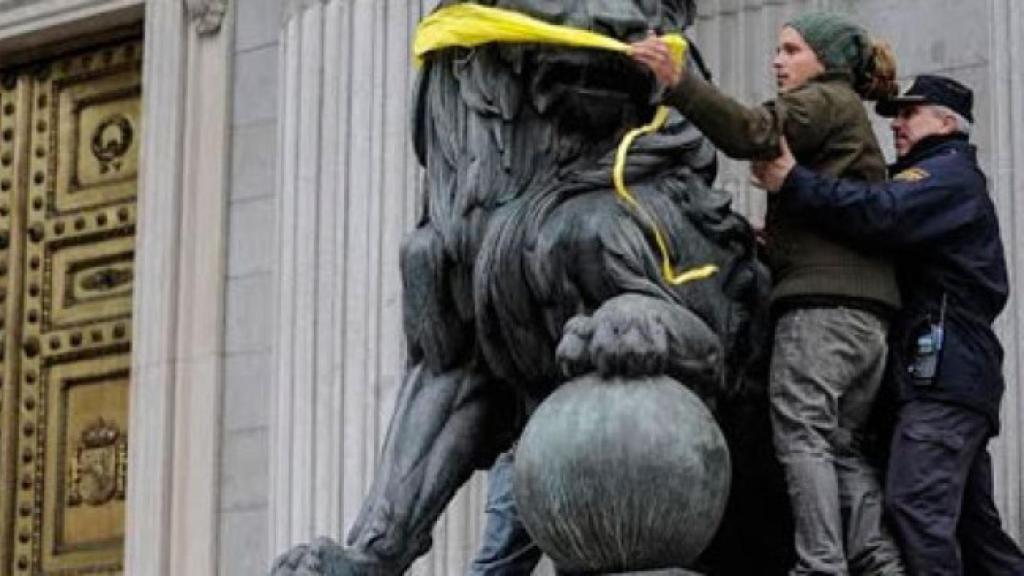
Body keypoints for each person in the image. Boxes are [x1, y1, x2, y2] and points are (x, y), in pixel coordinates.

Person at [632, 12, 906, 575]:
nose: (778, 61)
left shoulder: (824, 99)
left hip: (822, 312)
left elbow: (753, 132)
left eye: (791, 50)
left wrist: (680, 82)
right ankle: (878, 563)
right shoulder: (845, 110)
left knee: (802, 435)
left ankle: (821, 565)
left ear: (825, 61)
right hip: (866, 317)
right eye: (778, 50)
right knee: (841, 446)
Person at [751, 74, 1024, 576]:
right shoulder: (937, 177)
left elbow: (881, 213)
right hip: (952, 377)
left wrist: (795, 181)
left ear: (947, 122)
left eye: (909, 113)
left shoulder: (946, 174)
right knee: (973, 529)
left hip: (942, 379)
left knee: (916, 505)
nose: (896, 124)